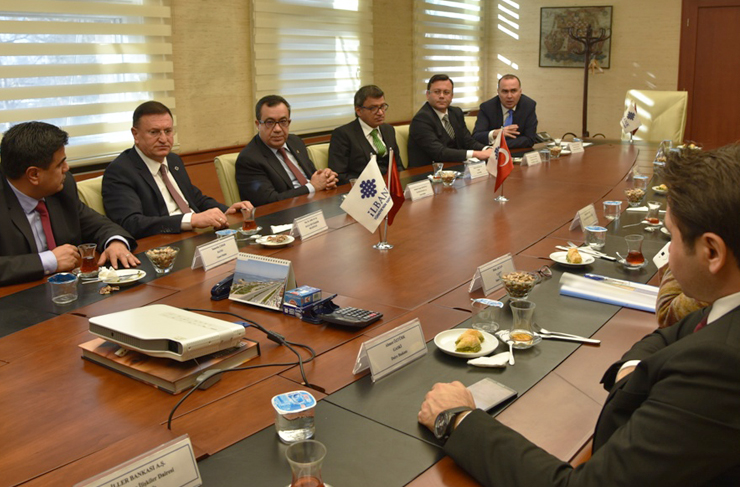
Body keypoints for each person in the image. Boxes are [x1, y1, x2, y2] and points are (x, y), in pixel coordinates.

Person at [418, 144, 740, 486]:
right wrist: (633, 374)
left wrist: (459, 420)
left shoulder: (719, 365)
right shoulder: (725, 314)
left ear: (711, 252)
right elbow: (669, 336)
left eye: (671, 236)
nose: (667, 251)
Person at [0, 122, 138, 286]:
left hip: (69, 290)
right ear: (34, 174)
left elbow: (98, 225)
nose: (67, 168)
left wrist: (115, 242)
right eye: (60, 164)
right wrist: (49, 261)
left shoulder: (62, 188)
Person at [103, 101, 253, 239]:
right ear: (135, 134)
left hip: (197, 235)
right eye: (154, 132)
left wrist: (225, 210)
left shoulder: (173, 160)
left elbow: (195, 198)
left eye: (168, 131)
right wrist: (190, 220)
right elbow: (132, 223)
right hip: (164, 243)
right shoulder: (120, 171)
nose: (163, 139)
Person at [236, 95, 338, 206]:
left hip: (316, 203)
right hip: (286, 212)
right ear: (258, 124)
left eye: (283, 121)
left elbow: (312, 176)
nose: (278, 129)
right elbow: (268, 202)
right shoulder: (249, 159)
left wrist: (326, 179)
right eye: (270, 122)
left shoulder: (295, 141)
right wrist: (312, 187)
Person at [407, 74, 492, 168]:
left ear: (452, 96)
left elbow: (467, 141)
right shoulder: (421, 119)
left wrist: (487, 149)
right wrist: (477, 154)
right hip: (427, 171)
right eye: (437, 92)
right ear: (428, 95)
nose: (442, 96)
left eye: (446, 92)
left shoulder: (456, 112)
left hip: (457, 167)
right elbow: (439, 152)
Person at [328, 85, 403, 184]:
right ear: (358, 110)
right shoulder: (343, 135)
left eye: (382, 106)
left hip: (392, 186)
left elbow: (398, 166)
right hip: (364, 188)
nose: (380, 113)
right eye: (373, 108)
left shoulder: (389, 130)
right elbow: (340, 176)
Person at [472, 74, 538, 149]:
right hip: (492, 153)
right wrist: (495, 133)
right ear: (498, 92)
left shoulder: (528, 106)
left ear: (520, 92)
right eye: (505, 91)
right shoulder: (487, 107)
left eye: (513, 91)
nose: (509, 96)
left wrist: (499, 144)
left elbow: (530, 139)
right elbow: (476, 136)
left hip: (517, 151)